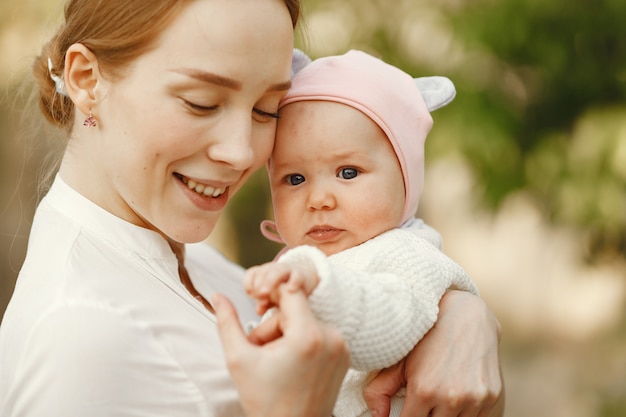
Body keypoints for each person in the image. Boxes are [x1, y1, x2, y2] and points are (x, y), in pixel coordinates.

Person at [0, 1, 503, 416]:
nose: (243, 152)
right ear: (87, 79)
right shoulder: (81, 337)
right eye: (201, 102)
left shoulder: (197, 268)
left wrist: (458, 310)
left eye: (267, 110)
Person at [244, 50, 478, 417]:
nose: (318, 199)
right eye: (295, 178)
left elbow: (391, 324)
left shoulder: (409, 252)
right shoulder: (299, 260)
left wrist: (316, 282)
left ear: (406, 178)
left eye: (348, 172)